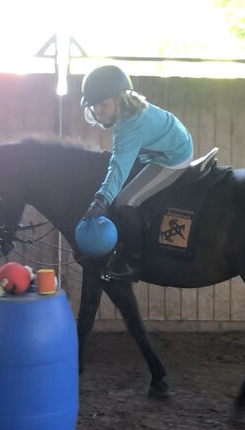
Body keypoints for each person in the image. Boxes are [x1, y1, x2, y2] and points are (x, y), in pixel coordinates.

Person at [80, 64, 194, 281]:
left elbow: (118, 169)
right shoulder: (132, 110)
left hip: (173, 158)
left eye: (103, 105)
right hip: (166, 144)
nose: (99, 111)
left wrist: (101, 200)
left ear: (119, 98)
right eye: (96, 106)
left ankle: (133, 263)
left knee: (125, 200)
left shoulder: (129, 128)